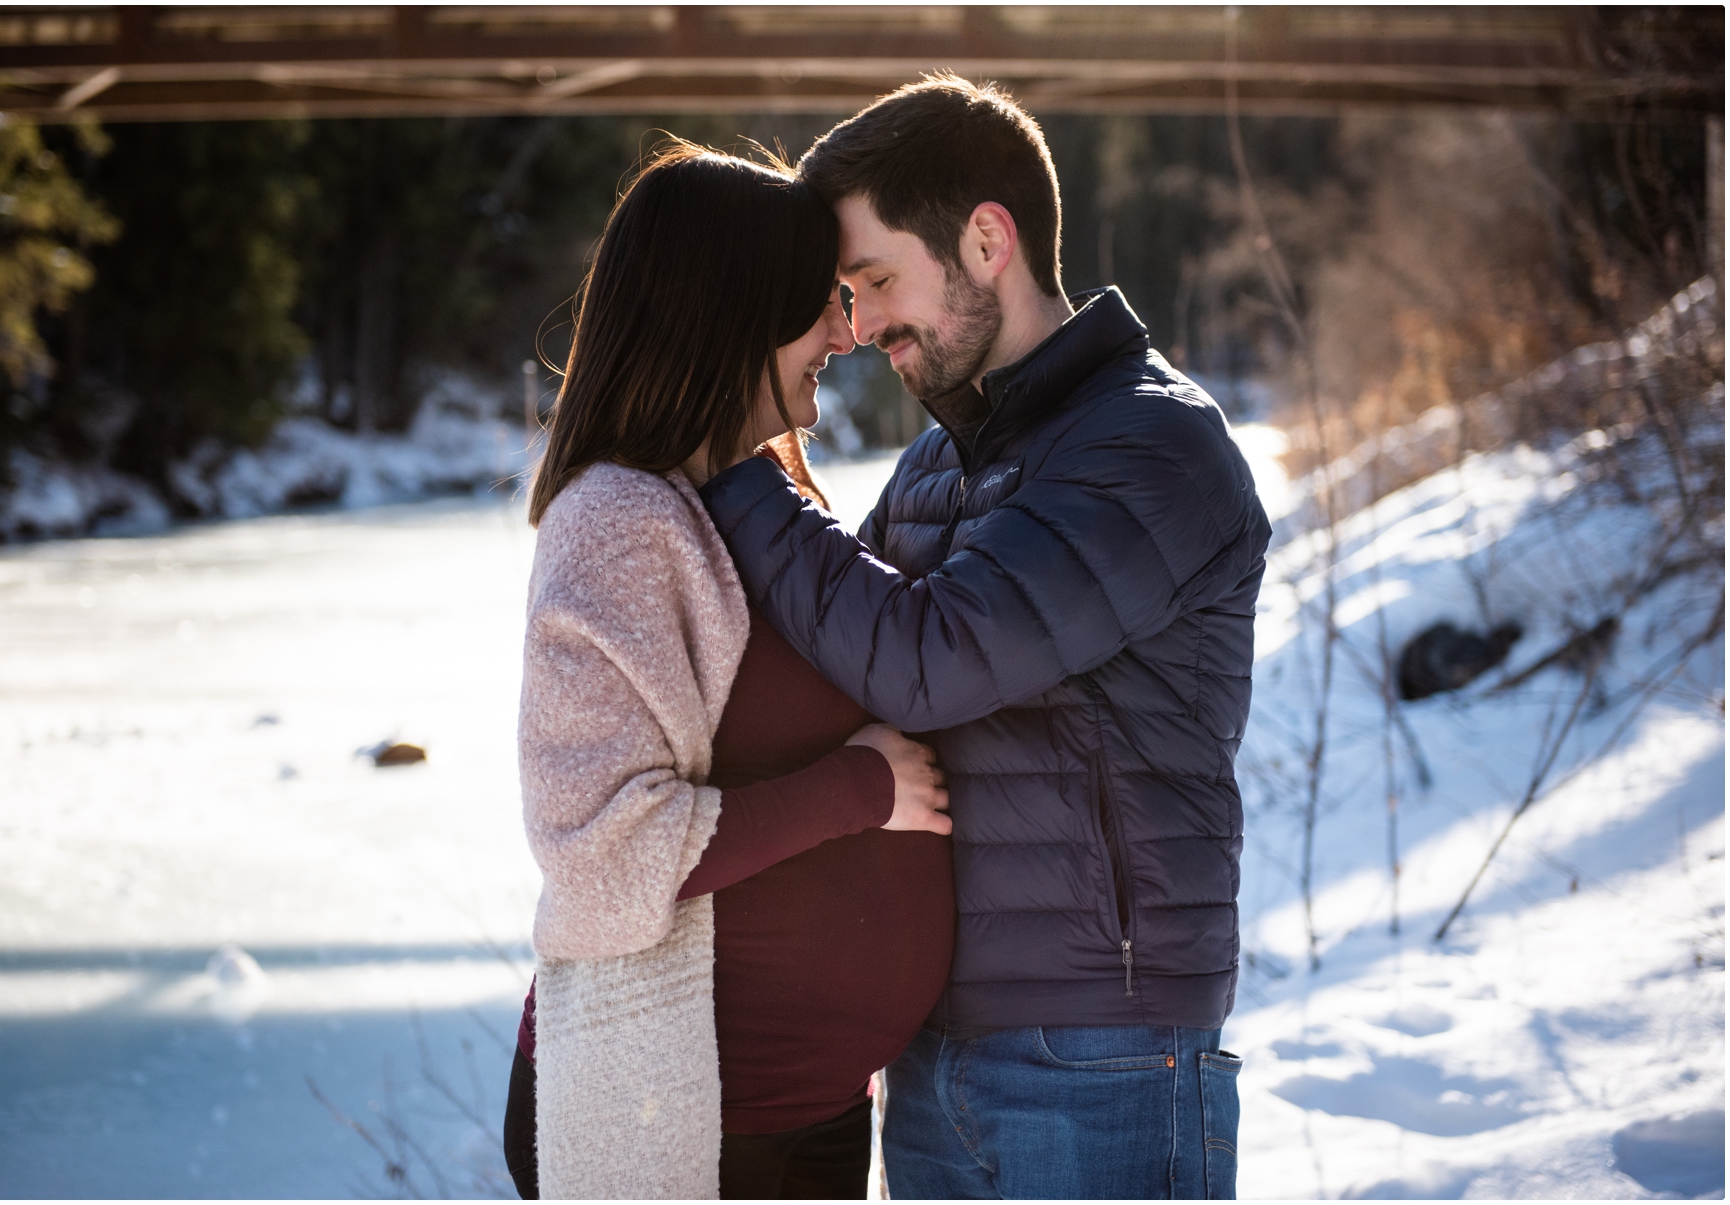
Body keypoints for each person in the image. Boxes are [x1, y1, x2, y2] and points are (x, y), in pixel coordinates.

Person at [696, 76, 1271, 1200]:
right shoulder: (936, 464)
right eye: (846, 297)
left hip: (1100, 1051)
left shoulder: (1152, 447)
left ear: (988, 239)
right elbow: (831, 658)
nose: (859, 327)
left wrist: (737, 465)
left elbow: (928, 658)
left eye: (875, 282)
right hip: (932, 1050)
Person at [504, 141, 956, 1200]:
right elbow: (605, 848)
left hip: (805, 1111)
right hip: (684, 1116)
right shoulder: (619, 522)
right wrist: (861, 790)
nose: (845, 336)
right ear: (729, 311)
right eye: (817, 305)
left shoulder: (753, 500)